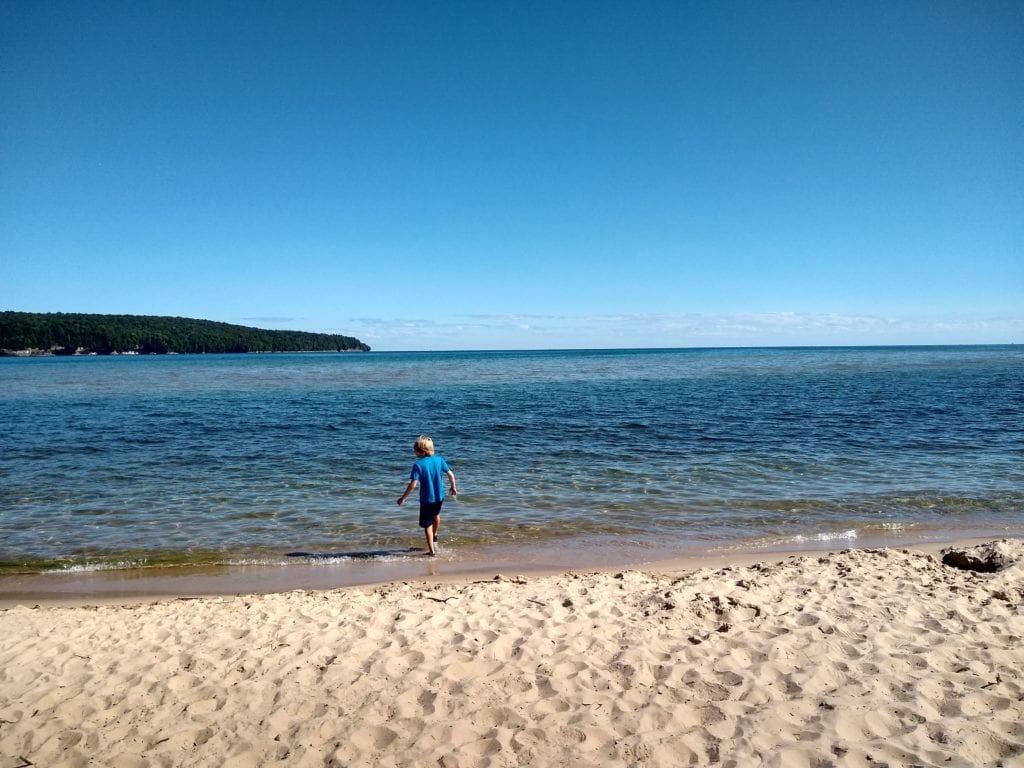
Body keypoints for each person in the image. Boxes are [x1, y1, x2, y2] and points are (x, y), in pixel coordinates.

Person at [397, 435, 457, 556]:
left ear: (420, 451)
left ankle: (431, 552)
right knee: (436, 515)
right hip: (440, 497)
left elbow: (413, 485)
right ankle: (435, 535)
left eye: (415, 450)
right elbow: (451, 474)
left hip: (427, 500)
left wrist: (403, 498)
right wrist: (453, 487)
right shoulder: (439, 460)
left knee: (427, 525)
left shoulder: (418, 465)